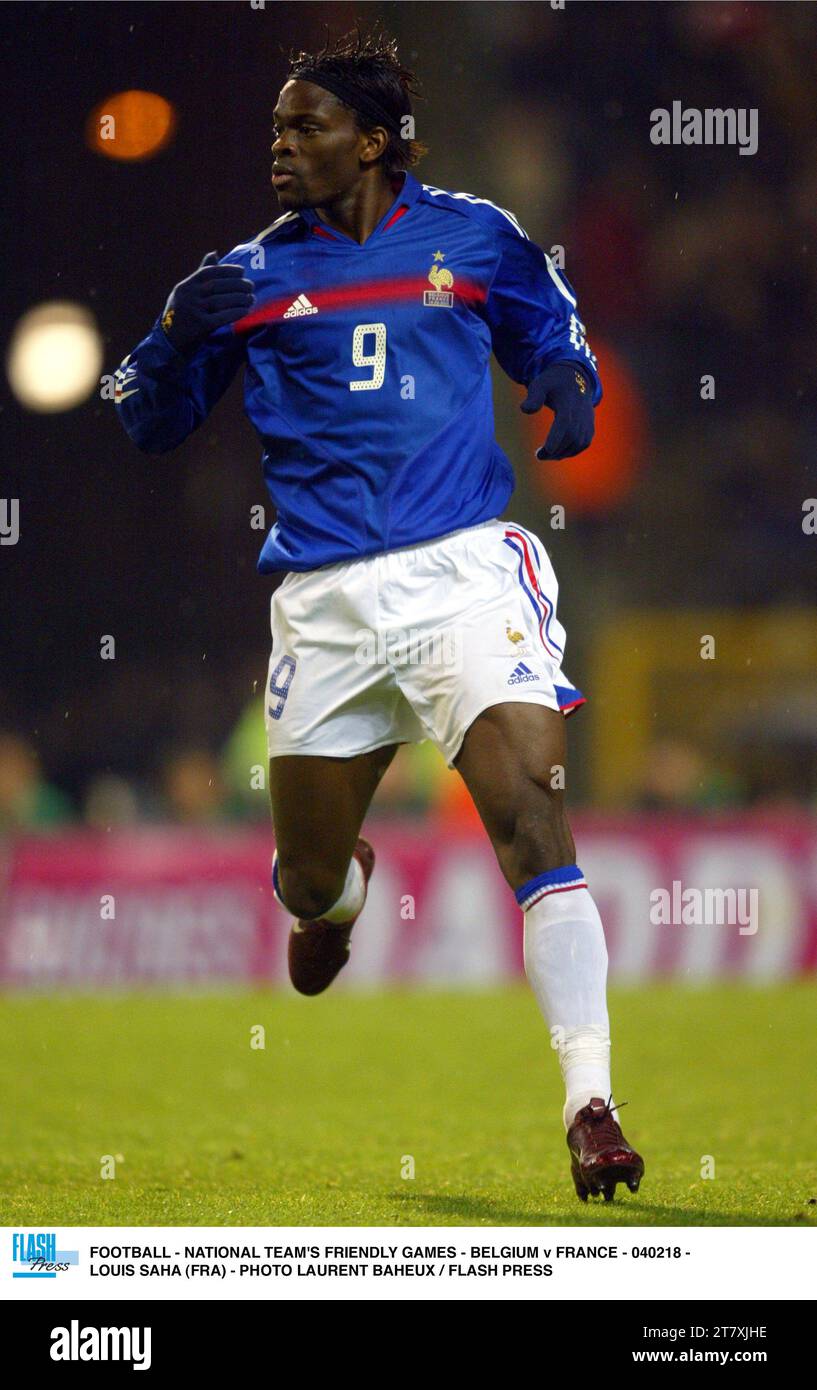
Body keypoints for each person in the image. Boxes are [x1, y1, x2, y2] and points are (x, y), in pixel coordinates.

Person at [114, 27, 643, 1203]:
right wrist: (164, 343)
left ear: (371, 141)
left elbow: (551, 332)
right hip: (326, 605)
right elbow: (145, 421)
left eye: (303, 128)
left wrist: (565, 381)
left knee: (531, 823)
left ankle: (591, 1104)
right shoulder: (244, 277)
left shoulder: (475, 236)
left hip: (463, 572)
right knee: (301, 883)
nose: (279, 148)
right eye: (274, 129)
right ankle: (338, 887)